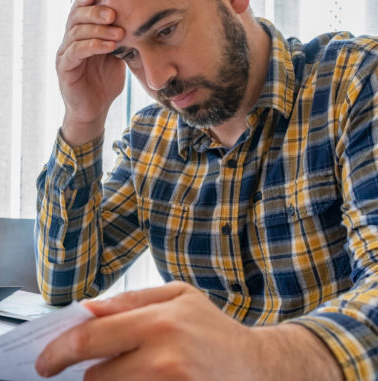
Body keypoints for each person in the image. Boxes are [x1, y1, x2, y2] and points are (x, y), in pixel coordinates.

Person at [33, 0, 378, 379]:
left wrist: (257, 358)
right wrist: (83, 119)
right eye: (129, 54)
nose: (155, 78)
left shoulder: (356, 84)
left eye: (165, 31)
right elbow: (66, 286)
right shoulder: (151, 136)